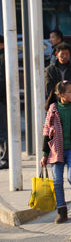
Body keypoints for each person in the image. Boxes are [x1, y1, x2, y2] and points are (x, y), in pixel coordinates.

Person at [40, 80, 71, 223]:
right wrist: (44, 155)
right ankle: (62, 211)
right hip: (56, 151)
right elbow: (46, 132)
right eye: (69, 92)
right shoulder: (53, 109)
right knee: (57, 181)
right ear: (61, 95)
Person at [0, 35, 8, 169]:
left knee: (3, 132)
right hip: (3, 98)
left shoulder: (4, 57)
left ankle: (5, 159)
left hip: (3, 99)